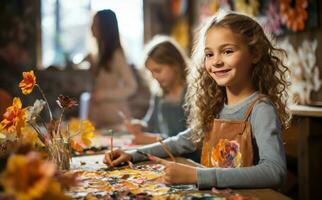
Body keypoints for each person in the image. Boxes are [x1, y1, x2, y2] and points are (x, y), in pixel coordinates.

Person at [104, 12, 290, 189]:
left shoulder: (260, 108)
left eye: (227, 51)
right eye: (209, 54)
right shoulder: (215, 106)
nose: (216, 61)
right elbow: (180, 141)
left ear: (255, 54)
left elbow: (275, 171)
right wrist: (133, 154)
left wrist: (197, 175)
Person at [125, 36, 189, 145]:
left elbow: (189, 140)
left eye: (158, 70)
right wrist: (140, 126)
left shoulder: (190, 94)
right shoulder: (159, 93)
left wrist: (156, 140)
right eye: (151, 72)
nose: (154, 77)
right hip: (164, 154)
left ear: (175, 65)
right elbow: (150, 123)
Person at [88, 9, 137, 130]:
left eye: (95, 24)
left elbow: (132, 87)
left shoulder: (117, 55)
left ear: (105, 27)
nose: (91, 28)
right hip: (99, 117)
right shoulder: (97, 55)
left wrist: (103, 94)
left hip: (116, 118)